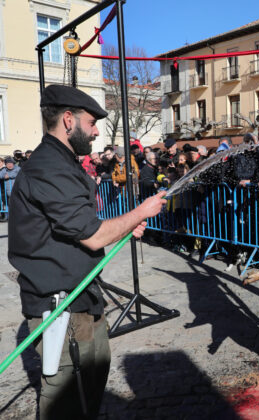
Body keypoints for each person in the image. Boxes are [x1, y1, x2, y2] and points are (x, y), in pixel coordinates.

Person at [7, 84, 167, 419]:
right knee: (68, 404)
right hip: (61, 309)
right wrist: (141, 212)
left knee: (88, 396)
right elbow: (92, 236)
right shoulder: (50, 167)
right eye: (91, 122)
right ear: (68, 120)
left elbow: (78, 226)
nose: (96, 131)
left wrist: (123, 226)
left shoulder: (62, 162)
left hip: (82, 301)